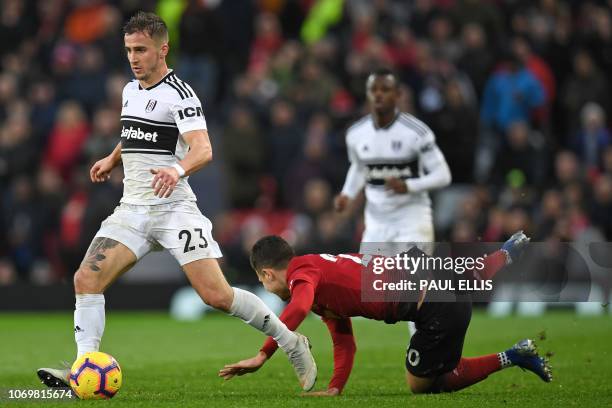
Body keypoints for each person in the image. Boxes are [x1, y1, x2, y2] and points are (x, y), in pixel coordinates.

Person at [37, 11, 316, 392]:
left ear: (162, 49)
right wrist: (113, 157)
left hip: (174, 210)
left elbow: (203, 149)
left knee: (216, 296)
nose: (133, 58)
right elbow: (135, 131)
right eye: (128, 50)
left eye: (141, 50)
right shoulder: (130, 90)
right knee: (86, 278)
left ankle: (290, 341)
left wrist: (177, 171)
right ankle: (83, 367)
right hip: (132, 210)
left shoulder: (180, 95)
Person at [218, 232, 552, 396]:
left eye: (264, 282)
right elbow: (344, 341)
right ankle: (499, 258)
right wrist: (335, 388)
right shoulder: (318, 275)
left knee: (423, 384)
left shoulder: (301, 276)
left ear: (266, 274)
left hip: (434, 306)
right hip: (422, 278)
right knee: (454, 284)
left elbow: (299, 307)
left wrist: (264, 354)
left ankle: (514, 355)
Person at [334, 68, 451, 257]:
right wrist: (347, 194)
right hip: (376, 224)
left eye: (385, 89)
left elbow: (443, 176)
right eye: (374, 90)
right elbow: (359, 168)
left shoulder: (417, 132)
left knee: (411, 284)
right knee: (371, 285)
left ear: (398, 95)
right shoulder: (355, 133)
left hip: (411, 219)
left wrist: (409, 185)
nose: (378, 94)